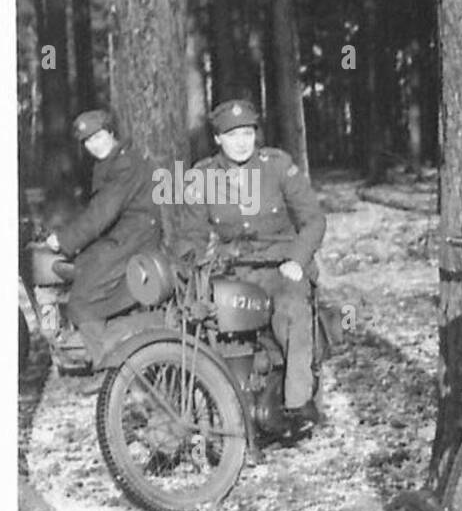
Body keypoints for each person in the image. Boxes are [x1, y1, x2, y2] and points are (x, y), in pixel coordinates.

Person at [176, 99, 326, 428]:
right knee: (206, 322)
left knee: (290, 309)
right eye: (233, 135)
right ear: (218, 139)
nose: (242, 142)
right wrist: (193, 270)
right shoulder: (203, 176)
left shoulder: (277, 165)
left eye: (247, 133)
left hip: (280, 264)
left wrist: (298, 261)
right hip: (234, 268)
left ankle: (299, 402)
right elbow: (191, 234)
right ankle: (219, 405)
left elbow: (313, 220)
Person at [45, 109, 163, 370]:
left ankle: (107, 366)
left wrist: (64, 239)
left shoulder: (125, 164)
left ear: (111, 133)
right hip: (124, 235)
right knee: (82, 268)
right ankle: (87, 347)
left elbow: (103, 212)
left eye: (98, 137)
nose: (93, 145)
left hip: (133, 240)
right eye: (87, 141)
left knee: (82, 299)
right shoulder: (111, 162)